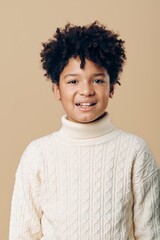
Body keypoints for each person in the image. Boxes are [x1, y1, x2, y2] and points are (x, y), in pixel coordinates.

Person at [9, 21, 160, 239]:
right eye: (73, 81)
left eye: (98, 80)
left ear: (111, 88)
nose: (86, 91)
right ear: (57, 90)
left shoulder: (135, 151)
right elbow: (22, 233)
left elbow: (151, 232)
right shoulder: (38, 154)